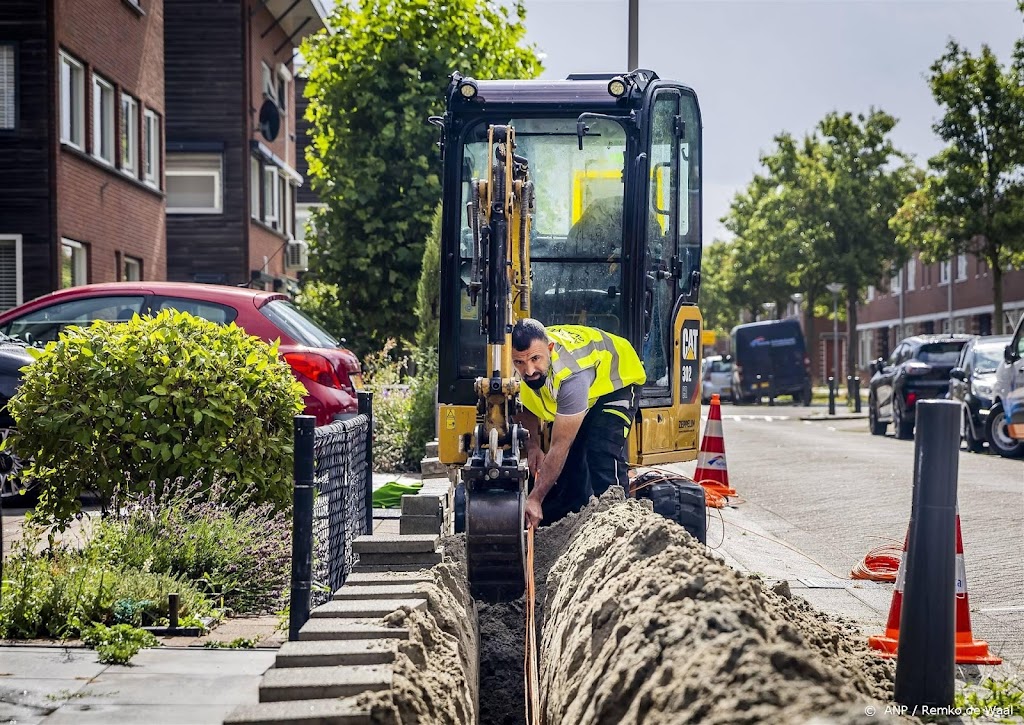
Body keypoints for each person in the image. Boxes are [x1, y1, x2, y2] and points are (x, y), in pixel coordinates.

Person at [511, 318, 646, 529]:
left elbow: (559, 446)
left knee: (600, 451)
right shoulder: (512, 362)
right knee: (573, 466)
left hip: (618, 379)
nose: (528, 371)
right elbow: (525, 403)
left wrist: (535, 498)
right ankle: (571, 524)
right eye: (520, 363)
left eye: (535, 359)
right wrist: (533, 446)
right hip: (587, 388)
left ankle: (618, 523)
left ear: (550, 349)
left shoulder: (571, 374)